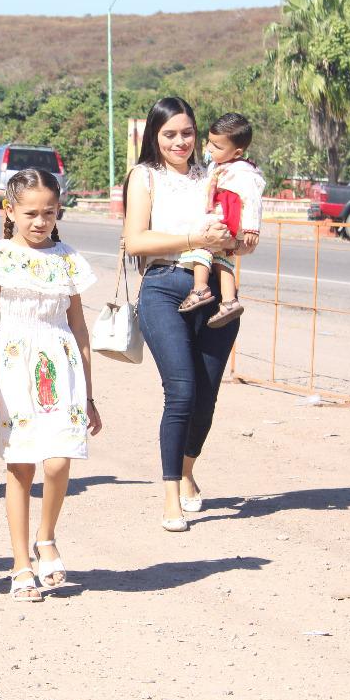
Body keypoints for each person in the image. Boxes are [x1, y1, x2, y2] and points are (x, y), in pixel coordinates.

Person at [0, 169, 102, 601]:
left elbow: (79, 327)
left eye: (48, 212)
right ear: (10, 211)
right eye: (30, 213)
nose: (40, 221)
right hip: (12, 364)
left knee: (60, 459)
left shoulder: (68, 259)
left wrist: (89, 393)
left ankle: (46, 537)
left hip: (61, 364)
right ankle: (20, 563)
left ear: (58, 210)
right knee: (21, 465)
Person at [121, 97, 247, 532]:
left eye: (187, 133)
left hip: (215, 289)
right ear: (154, 136)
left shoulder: (214, 174)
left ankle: (188, 468)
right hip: (162, 286)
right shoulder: (144, 176)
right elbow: (135, 241)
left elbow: (236, 230)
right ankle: (171, 494)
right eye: (170, 134)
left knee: (206, 398)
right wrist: (194, 237)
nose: (180, 141)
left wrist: (240, 239)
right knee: (181, 390)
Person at [177, 113, 265, 328]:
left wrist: (252, 228)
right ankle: (229, 301)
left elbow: (252, 199)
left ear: (237, 152)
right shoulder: (218, 164)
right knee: (221, 259)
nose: (209, 148)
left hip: (225, 217)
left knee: (202, 245)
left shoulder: (244, 172)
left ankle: (200, 288)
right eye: (209, 141)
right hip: (220, 216)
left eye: (216, 146)